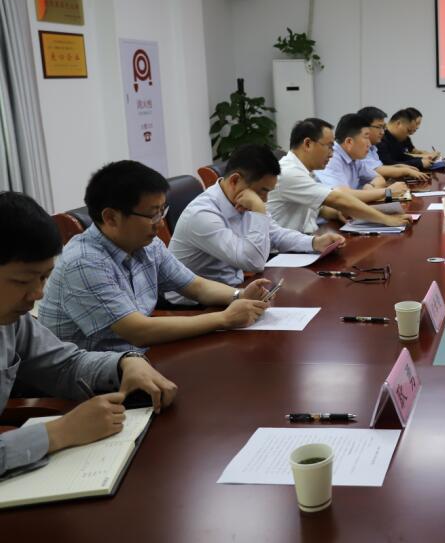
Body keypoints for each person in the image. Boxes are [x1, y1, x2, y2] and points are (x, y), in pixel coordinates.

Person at [0, 192, 178, 477]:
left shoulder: (11, 321)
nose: (38, 293)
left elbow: (65, 365)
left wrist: (124, 363)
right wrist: (59, 432)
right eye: (22, 281)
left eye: (44, 277)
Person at [38, 161, 272, 353]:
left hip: (137, 357)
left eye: (162, 211)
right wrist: (225, 318)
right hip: (92, 378)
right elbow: (138, 331)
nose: (160, 223)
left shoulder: (147, 245)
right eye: (152, 214)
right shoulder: (84, 262)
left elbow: (196, 286)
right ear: (110, 218)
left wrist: (239, 295)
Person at [169, 144, 345, 299]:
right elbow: (253, 263)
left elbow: (275, 233)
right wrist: (258, 210)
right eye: (262, 191)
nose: (265, 199)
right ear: (235, 180)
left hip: (234, 289)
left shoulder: (241, 200)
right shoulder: (203, 214)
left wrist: (314, 242)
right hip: (195, 305)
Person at [267, 118, 412, 234]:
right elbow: (337, 198)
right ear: (308, 144)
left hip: (304, 240)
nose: (331, 153)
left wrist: (336, 213)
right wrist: (386, 220)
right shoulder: (290, 172)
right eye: (329, 146)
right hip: (282, 252)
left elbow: (316, 207)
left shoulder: (305, 170)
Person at [316, 113, 409, 203]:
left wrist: (370, 186)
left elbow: (379, 178)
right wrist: (388, 192)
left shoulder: (354, 157)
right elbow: (342, 196)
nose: (369, 144)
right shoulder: (331, 158)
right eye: (366, 137)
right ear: (349, 142)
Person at [357, 106, 429, 183]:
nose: (382, 132)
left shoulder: (372, 147)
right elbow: (376, 170)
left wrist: (398, 167)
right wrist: (405, 171)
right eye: (379, 127)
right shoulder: (360, 148)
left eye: (383, 127)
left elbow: (378, 167)